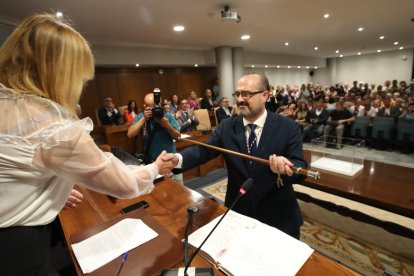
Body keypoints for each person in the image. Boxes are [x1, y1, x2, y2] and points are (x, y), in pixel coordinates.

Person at [0, 13, 176, 275]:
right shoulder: (53, 127)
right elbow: (124, 185)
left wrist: (43, 190)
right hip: (16, 249)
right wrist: (155, 169)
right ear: (61, 74)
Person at [164, 74, 307, 239]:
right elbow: (204, 151)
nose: (240, 99)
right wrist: (177, 159)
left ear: (265, 96)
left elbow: (300, 167)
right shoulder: (227, 126)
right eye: (237, 94)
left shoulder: (288, 127)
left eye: (246, 94)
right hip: (239, 212)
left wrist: (287, 167)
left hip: (278, 216)